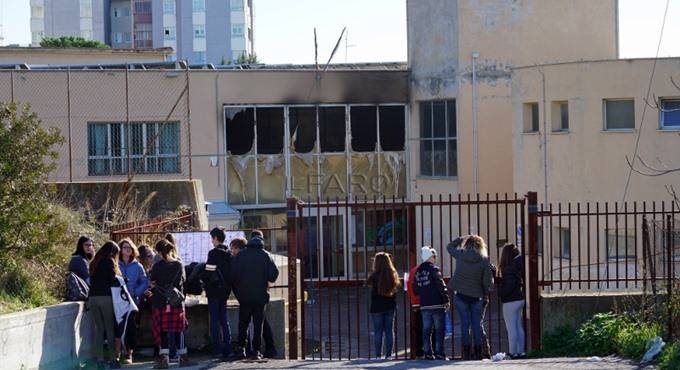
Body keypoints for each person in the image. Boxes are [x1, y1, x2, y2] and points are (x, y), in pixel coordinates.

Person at [231, 230, 279, 360]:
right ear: (262, 241)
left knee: (243, 323)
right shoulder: (266, 255)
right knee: (258, 325)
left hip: (244, 296)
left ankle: (241, 348)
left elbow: (233, 275)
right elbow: (273, 276)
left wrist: (240, 290)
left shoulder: (240, 255)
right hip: (260, 297)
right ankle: (256, 350)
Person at [447, 235, 493, 361]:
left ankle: (466, 353)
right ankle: (478, 353)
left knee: (464, 325)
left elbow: (449, 247)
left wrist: (460, 239)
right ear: (481, 246)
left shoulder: (461, 254)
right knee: (476, 325)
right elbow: (487, 281)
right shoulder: (484, 260)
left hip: (460, 295)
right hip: (477, 297)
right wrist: (484, 293)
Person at [149, 239, 193, 368]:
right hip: (176, 302)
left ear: (158, 252)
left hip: (160, 301)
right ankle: (183, 359)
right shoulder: (179, 265)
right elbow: (182, 282)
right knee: (179, 330)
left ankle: (164, 361)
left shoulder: (156, 266)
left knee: (162, 331)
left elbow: (152, 283)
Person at [201, 227, 234, 360]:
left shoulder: (213, 253)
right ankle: (229, 349)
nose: (211, 241)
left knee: (214, 321)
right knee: (224, 320)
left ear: (215, 238)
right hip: (225, 291)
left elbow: (209, 271)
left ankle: (217, 349)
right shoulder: (228, 253)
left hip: (214, 291)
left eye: (212, 238)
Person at [88, 241, 123, 369]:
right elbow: (112, 280)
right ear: (112, 252)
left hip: (93, 298)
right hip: (105, 297)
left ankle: (99, 360)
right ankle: (113, 359)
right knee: (109, 328)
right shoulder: (109, 262)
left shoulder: (94, 262)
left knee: (99, 329)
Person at [413, 246, 449, 360]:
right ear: (430, 257)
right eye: (434, 256)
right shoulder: (434, 269)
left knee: (426, 330)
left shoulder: (418, 272)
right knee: (439, 330)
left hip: (424, 305)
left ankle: (428, 353)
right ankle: (439, 353)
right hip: (437, 304)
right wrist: (446, 299)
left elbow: (415, 290)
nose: (435, 258)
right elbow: (441, 285)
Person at [117, 238, 148, 364]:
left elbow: (144, 281)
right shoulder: (116, 264)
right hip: (118, 300)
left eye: (129, 247)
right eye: (124, 247)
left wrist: (136, 292)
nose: (127, 249)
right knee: (119, 327)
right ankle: (118, 353)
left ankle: (129, 353)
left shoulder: (138, 265)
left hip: (133, 301)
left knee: (131, 326)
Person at [366, 252, 400, 360]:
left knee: (378, 331)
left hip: (376, 307)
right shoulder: (393, 275)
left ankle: (378, 355)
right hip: (390, 306)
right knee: (389, 330)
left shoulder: (374, 276)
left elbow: (368, 284)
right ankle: (389, 355)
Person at [498, 243, 525, 359]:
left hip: (510, 301)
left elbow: (509, 286)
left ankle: (512, 352)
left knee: (511, 328)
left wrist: (501, 294)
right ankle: (521, 352)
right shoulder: (518, 266)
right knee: (518, 326)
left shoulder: (508, 269)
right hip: (520, 299)